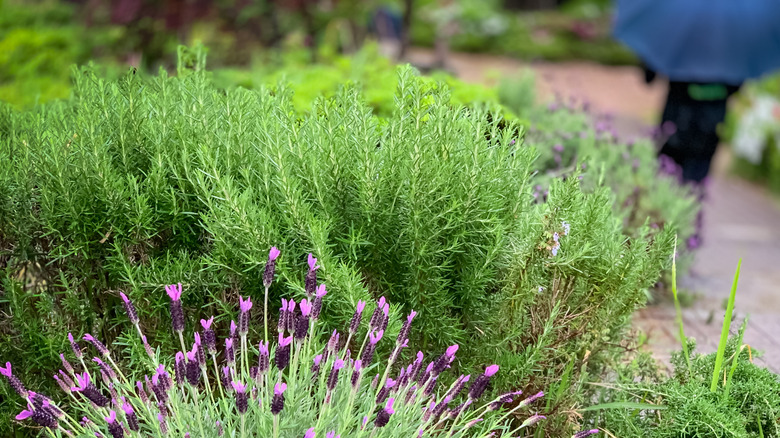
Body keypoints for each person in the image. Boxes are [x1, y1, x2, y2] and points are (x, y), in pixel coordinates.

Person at [646, 67, 741, 183]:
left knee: (663, 173)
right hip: (706, 120)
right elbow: (736, 84)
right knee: (689, 181)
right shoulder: (729, 55)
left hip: (681, 115)